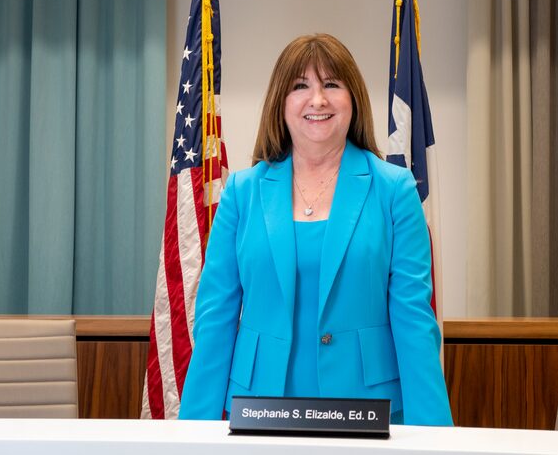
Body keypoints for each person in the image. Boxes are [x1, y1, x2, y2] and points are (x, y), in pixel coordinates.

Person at [178, 33, 453, 426]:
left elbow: (414, 322)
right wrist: (193, 434)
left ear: (353, 98)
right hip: (260, 411)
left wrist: (436, 439)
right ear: (282, 103)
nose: (318, 99)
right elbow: (215, 321)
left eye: (332, 85)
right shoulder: (241, 193)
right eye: (301, 86)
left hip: (367, 413)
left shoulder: (394, 191)